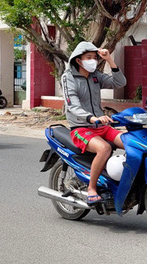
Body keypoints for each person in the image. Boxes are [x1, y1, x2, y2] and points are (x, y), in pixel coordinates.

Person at [62, 41, 127, 205]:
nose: (93, 61)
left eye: (95, 57)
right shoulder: (68, 77)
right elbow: (72, 105)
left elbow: (120, 83)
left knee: (132, 143)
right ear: (79, 60)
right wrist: (92, 118)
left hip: (101, 126)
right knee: (104, 148)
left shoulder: (96, 76)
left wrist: (110, 60)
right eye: (88, 57)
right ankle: (92, 188)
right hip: (81, 127)